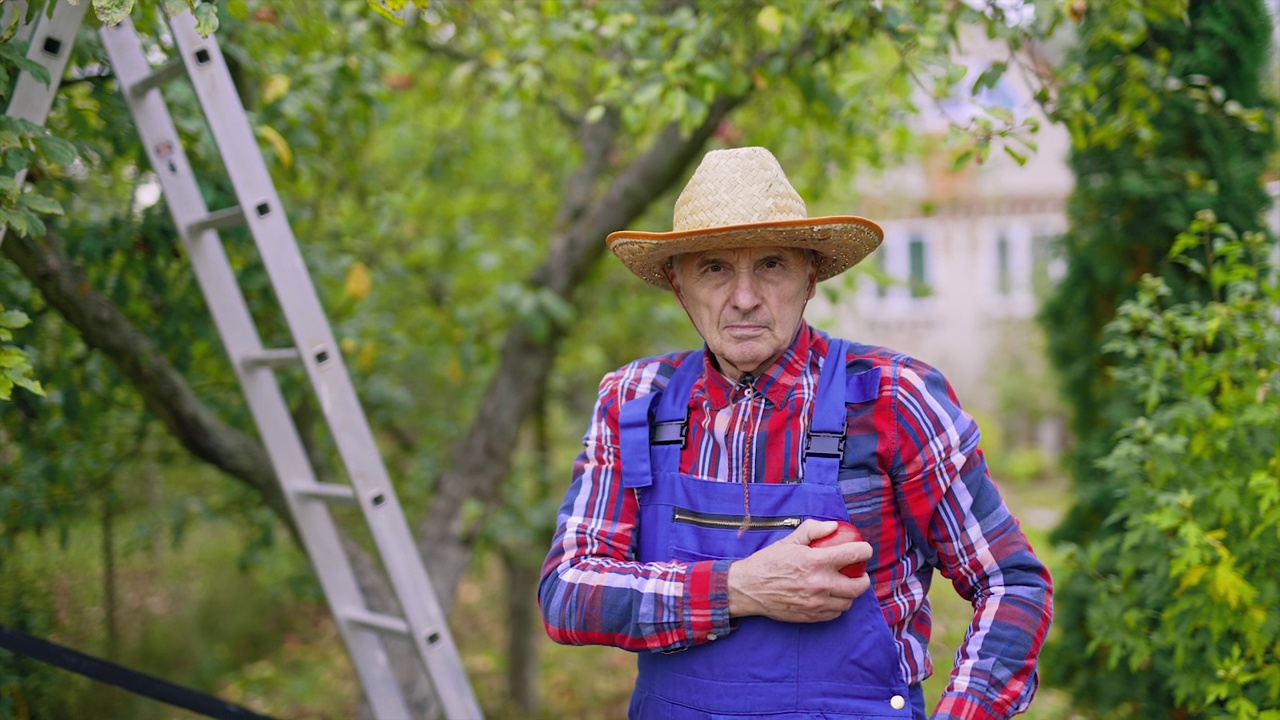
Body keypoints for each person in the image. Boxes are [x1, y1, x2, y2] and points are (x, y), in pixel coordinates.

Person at [538, 146, 1053, 719]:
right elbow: (568, 594)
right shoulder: (635, 402)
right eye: (714, 268)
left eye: (771, 265)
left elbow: (1010, 584)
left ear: (810, 277)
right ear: (679, 286)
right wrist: (737, 588)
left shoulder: (891, 399)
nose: (745, 297)